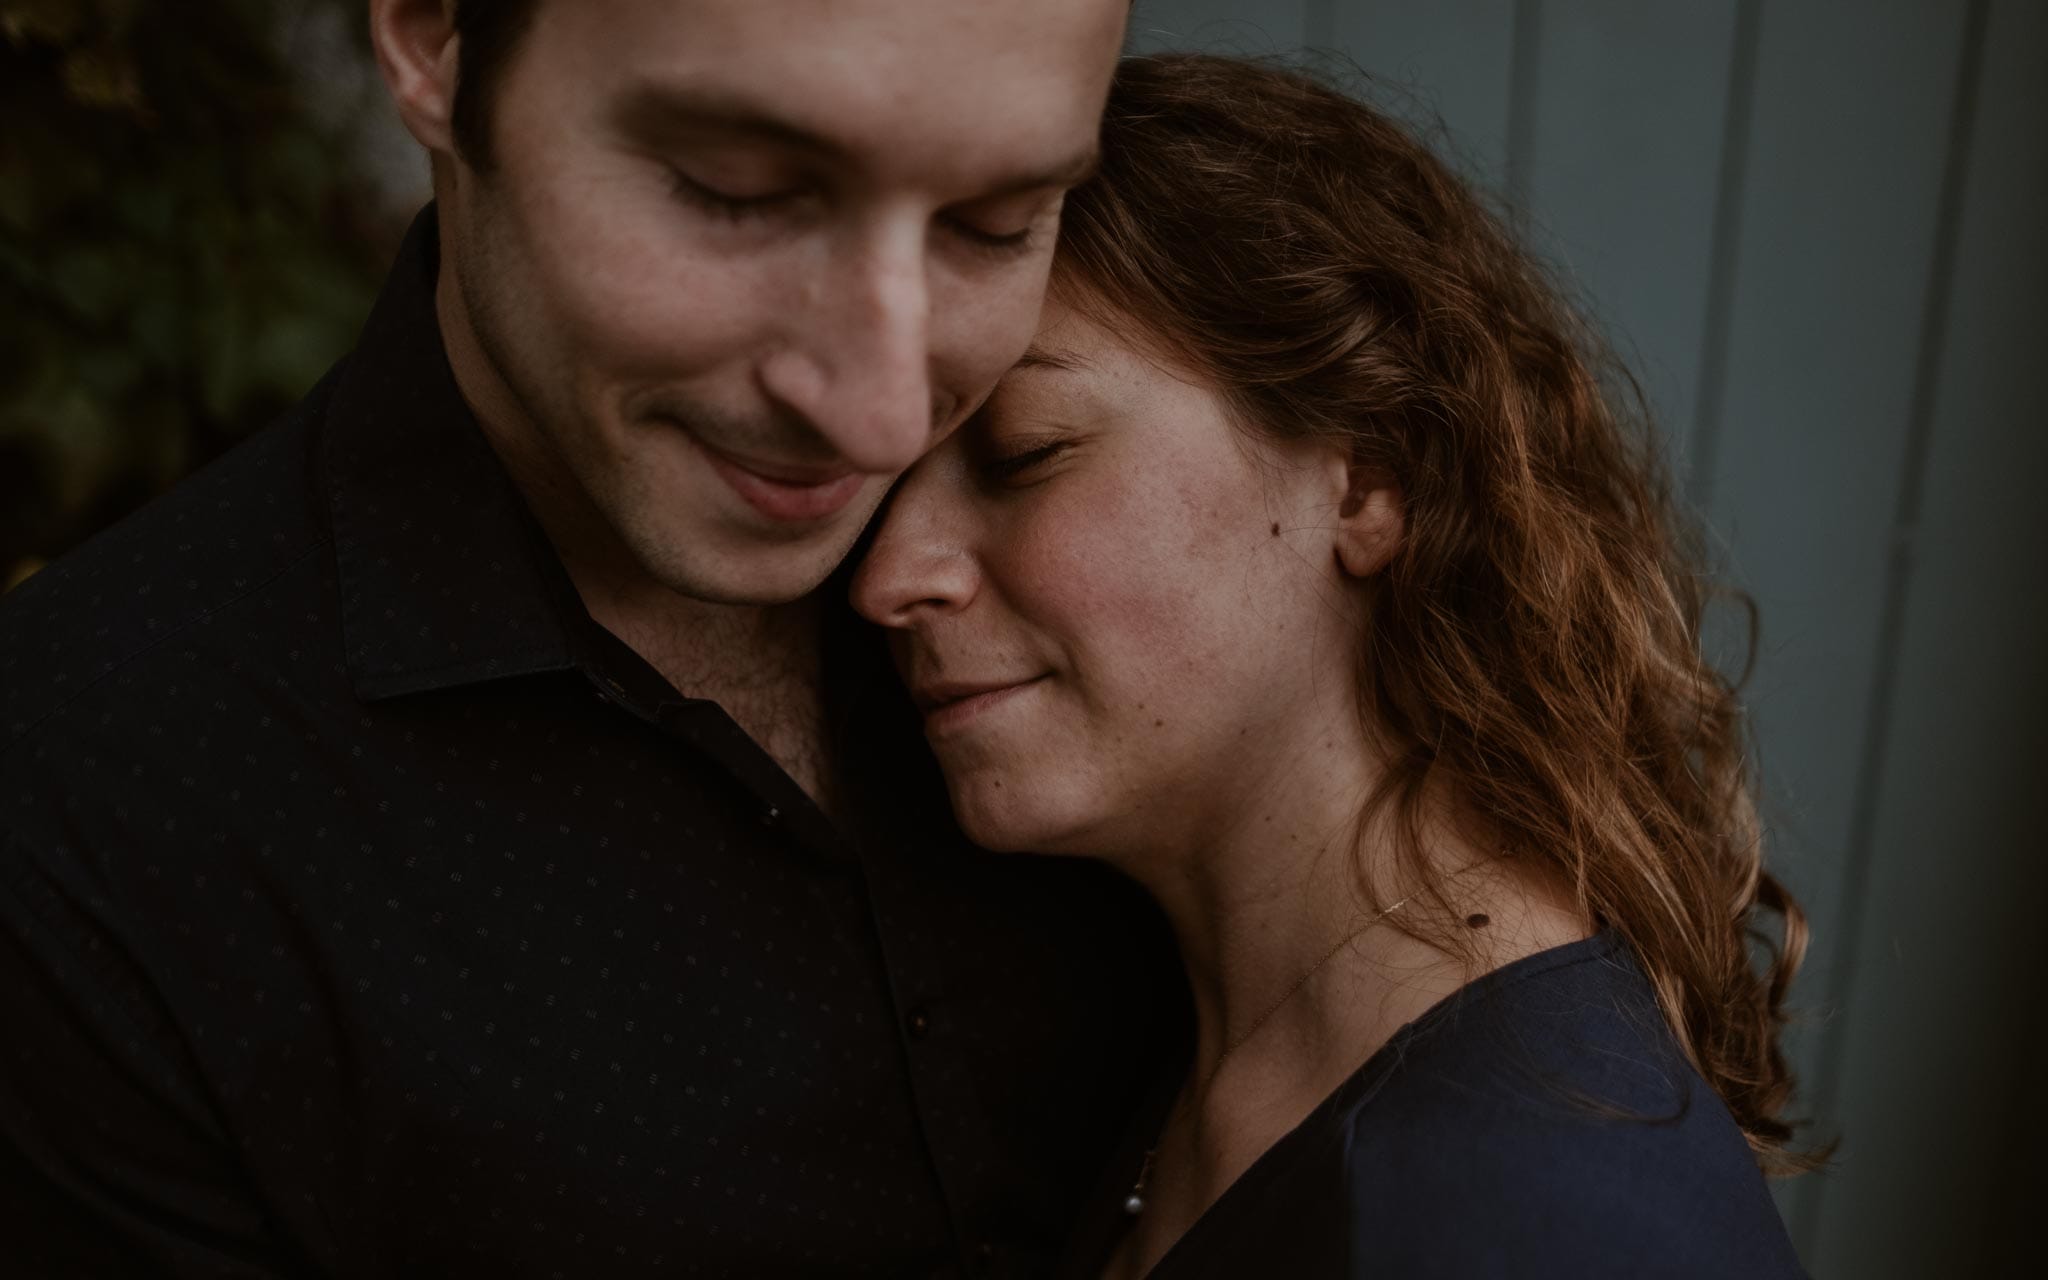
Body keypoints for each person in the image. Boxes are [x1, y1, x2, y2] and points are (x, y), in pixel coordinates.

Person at [0, 1, 1184, 1276]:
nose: (881, 412)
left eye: (992, 224)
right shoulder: (77, 809)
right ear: (436, 40)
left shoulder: (1179, 514)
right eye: (735, 193)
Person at [855, 53, 1815, 1278]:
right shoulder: (1172, 1038)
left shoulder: (1547, 1211)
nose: (888, 579)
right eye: (888, 484)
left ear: (1365, 476)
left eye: (1024, 453)